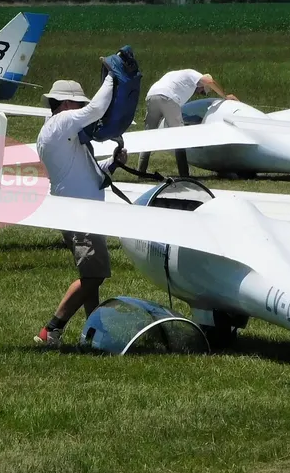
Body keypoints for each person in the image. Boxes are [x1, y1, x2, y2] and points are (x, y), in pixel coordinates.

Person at [33, 74, 128, 346]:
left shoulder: (63, 132)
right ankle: (51, 330)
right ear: (65, 105)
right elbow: (96, 109)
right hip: (79, 214)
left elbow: (88, 174)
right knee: (94, 276)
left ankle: (93, 334)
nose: (81, 113)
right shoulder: (61, 123)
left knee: (91, 277)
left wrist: (112, 164)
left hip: (80, 212)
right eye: (78, 106)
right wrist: (113, 76)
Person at [136, 69, 237, 177]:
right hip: (168, 97)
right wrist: (225, 96)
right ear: (201, 85)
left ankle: (140, 172)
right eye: (202, 91)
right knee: (180, 137)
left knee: (148, 135)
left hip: (151, 95)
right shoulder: (193, 74)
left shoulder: (177, 76)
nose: (199, 93)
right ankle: (184, 174)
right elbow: (210, 82)